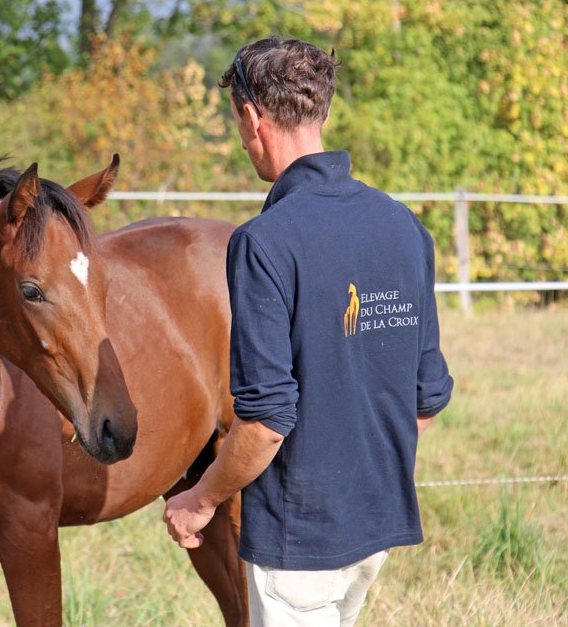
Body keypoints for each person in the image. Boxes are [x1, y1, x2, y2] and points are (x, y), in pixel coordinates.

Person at [163, 37, 454, 626]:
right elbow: (427, 396)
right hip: (376, 525)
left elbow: (266, 422)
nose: (242, 141)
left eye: (238, 125)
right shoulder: (404, 226)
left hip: (299, 539)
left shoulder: (263, 242)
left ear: (253, 117)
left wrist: (200, 498)